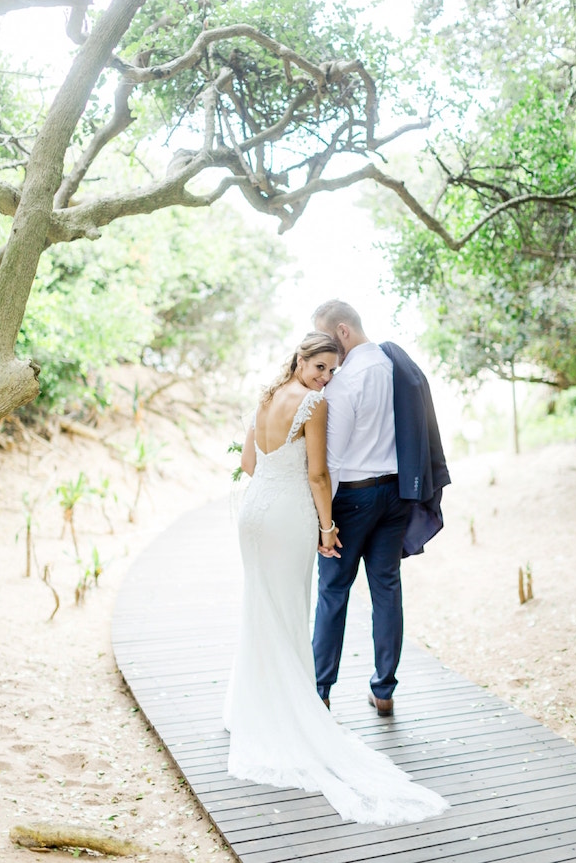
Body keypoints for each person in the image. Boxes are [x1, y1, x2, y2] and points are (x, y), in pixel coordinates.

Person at [224, 331, 449, 825]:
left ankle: (255, 706)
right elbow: (318, 476)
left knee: (263, 608)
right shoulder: (313, 403)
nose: (325, 377)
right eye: (319, 366)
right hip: (287, 515)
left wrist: (278, 484)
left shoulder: (266, 395)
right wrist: (327, 527)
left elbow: (247, 464)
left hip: (254, 512)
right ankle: (298, 708)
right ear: (301, 359)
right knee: (288, 610)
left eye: (331, 370)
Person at [311, 300, 451, 716]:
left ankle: (320, 690)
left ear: (342, 332)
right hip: (396, 495)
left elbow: (331, 462)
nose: (323, 348)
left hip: (352, 499)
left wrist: (324, 522)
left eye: (324, 337)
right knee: (387, 590)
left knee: (333, 592)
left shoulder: (343, 384)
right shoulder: (396, 367)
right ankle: (384, 689)